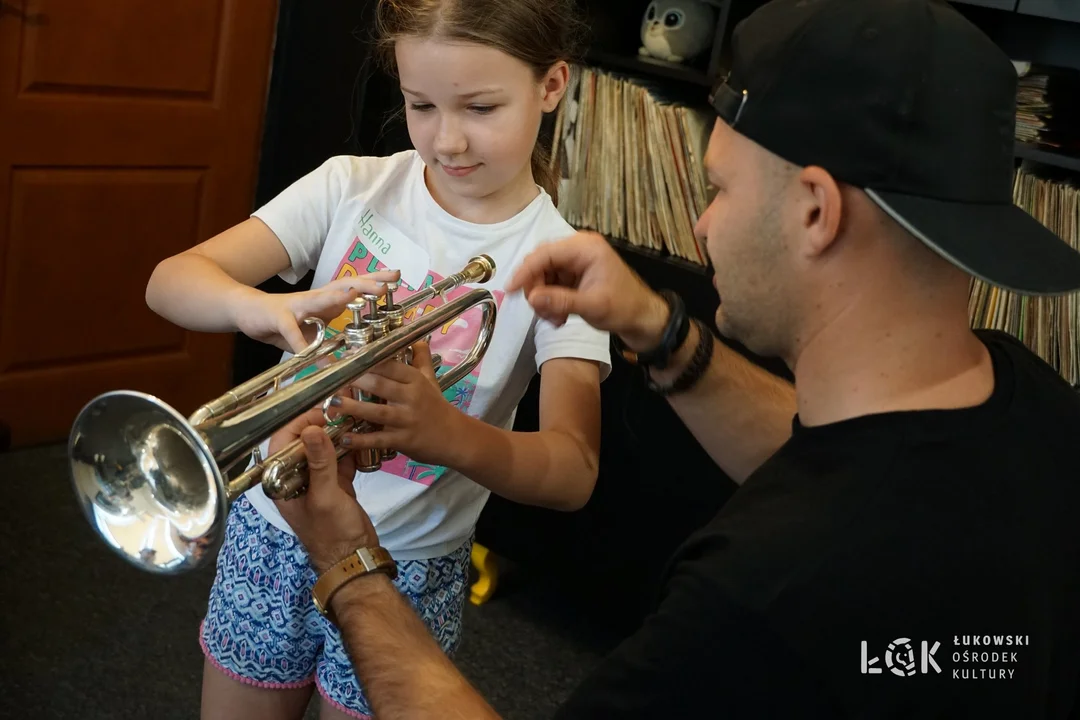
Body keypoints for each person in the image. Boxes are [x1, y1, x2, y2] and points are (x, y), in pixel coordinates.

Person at [267, 0, 1080, 718]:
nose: (700, 228)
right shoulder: (1033, 404)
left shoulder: (758, 599)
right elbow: (846, 463)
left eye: (719, 190)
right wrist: (660, 329)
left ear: (815, 212)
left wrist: (349, 563)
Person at [143, 0, 611, 717]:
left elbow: (573, 471)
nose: (446, 140)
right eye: (420, 104)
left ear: (551, 86)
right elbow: (169, 281)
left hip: (409, 567)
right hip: (273, 529)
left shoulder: (566, 264)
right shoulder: (351, 187)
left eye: (480, 107)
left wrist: (445, 433)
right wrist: (261, 307)